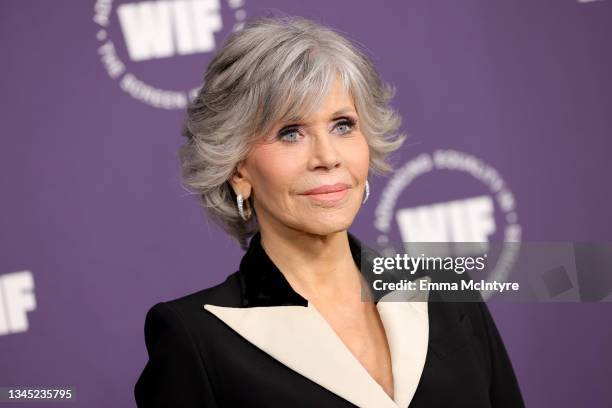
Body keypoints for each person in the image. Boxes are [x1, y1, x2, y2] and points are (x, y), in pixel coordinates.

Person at [134, 15, 525, 408]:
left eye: (342, 125)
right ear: (238, 168)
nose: (327, 156)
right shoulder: (196, 337)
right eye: (291, 132)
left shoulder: (448, 295)